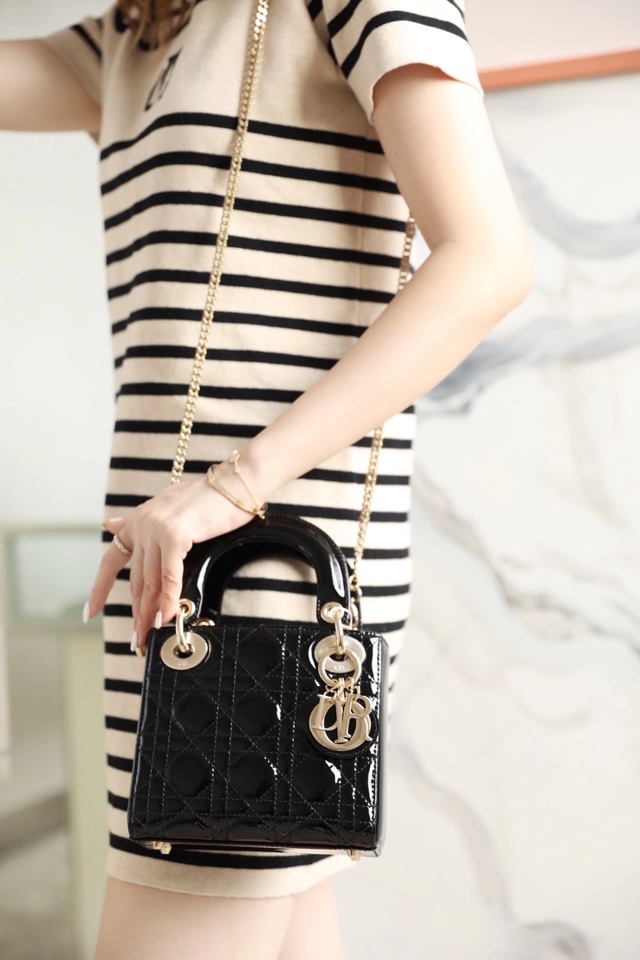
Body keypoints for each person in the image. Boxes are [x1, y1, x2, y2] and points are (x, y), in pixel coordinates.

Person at [0, 1, 533, 957]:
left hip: (272, 579)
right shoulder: (134, 35)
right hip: (171, 577)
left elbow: (489, 260)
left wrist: (233, 484)